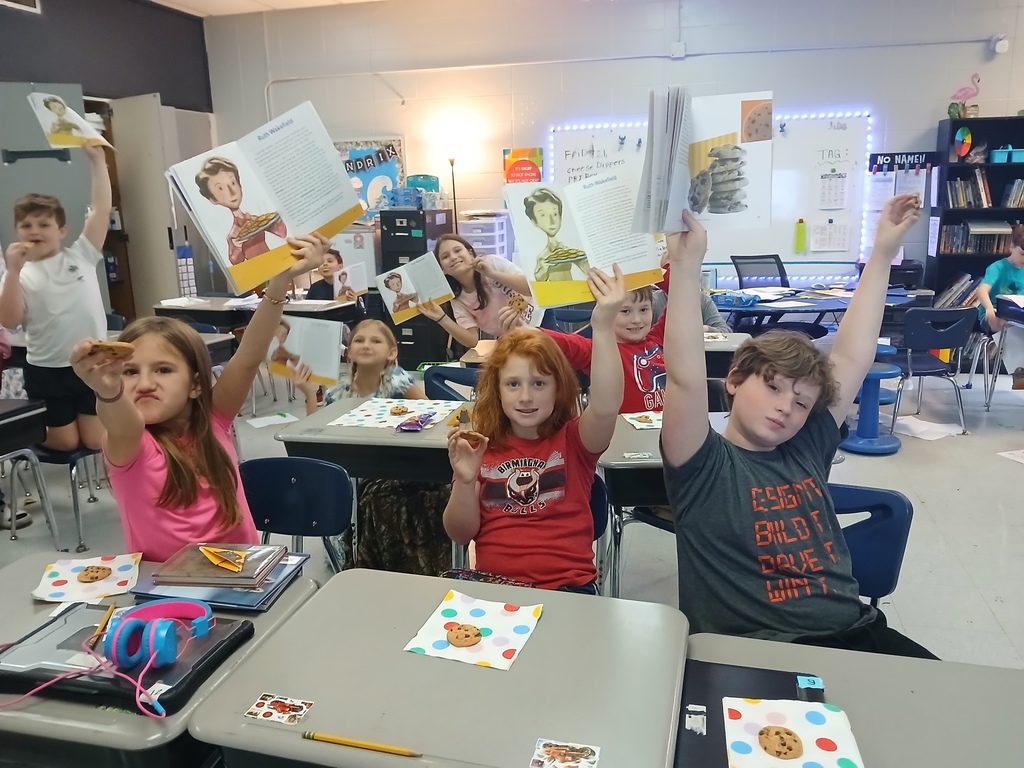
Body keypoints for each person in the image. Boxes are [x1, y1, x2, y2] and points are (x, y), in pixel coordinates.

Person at [659, 195, 937, 659]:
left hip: (855, 633)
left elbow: (851, 355)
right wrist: (686, 267)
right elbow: (685, 376)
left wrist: (883, 252)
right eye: (772, 387)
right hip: (755, 650)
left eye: (802, 401)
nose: (786, 407)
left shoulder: (806, 446)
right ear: (733, 381)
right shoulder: (701, 464)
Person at [69, 233, 330, 562]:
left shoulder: (213, 418)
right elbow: (122, 423)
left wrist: (279, 283)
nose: (145, 383)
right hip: (168, 587)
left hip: (246, 578)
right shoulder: (130, 445)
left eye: (163, 370)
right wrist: (108, 391)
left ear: (195, 385)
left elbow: (248, 358)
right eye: (130, 372)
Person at [443, 266, 625, 593]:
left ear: (558, 389)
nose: (525, 396)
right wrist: (465, 481)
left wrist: (603, 326)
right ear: (497, 390)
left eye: (539, 383)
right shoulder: (480, 447)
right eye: (513, 384)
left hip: (567, 590)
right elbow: (459, 533)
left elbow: (607, 404)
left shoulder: (575, 440)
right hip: (496, 589)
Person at [293, 320, 449, 575]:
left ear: (392, 352)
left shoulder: (398, 381)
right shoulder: (338, 393)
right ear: (348, 351)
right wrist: (310, 395)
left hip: (400, 468)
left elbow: (433, 414)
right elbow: (316, 437)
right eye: (359, 340)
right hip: (356, 472)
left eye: (376, 341)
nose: (366, 345)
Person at [0, 144, 111, 453]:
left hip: (90, 363)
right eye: (26, 225)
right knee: (65, 442)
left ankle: (36, 424)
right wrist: (12, 271)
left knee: (94, 440)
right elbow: (9, 320)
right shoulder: (18, 274)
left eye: (44, 224)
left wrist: (98, 161)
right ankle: (24, 429)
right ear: (17, 231)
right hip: (47, 370)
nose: (34, 230)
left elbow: (101, 210)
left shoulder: (82, 254)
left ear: (62, 230)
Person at [421, 233, 535, 349]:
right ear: (442, 269)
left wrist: (492, 274)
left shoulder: (491, 263)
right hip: (514, 339)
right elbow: (472, 340)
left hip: (539, 321)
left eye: (457, 250)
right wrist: (441, 318)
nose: (453, 257)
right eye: (445, 257)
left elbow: (532, 289)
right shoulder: (457, 299)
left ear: (470, 254)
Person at [195, 156, 287, 265]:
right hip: (257, 269)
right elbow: (235, 260)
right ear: (213, 199)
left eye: (233, 183)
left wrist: (278, 219)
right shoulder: (233, 235)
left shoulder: (256, 220)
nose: (232, 192)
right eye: (220, 188)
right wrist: (237, 246)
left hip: (276, 261)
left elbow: (282, 233)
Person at [976, 224, 1024, 389]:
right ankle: (1018, 372)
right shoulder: (998, 267)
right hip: (993, 314)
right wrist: (989, 308)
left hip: (1018, 315)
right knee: (1007, 325)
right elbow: (982, 290)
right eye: (1022, 253)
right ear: (1011, 247)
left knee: (1016, 326)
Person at [524, 188, 591, 281]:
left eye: (555, 214)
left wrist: (585, 264)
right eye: (543, 215)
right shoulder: (542, 258)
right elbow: (538, 279)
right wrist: (543, 270)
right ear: (534, 221)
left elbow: (586, 268)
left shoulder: (568, 251)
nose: (551, 221)